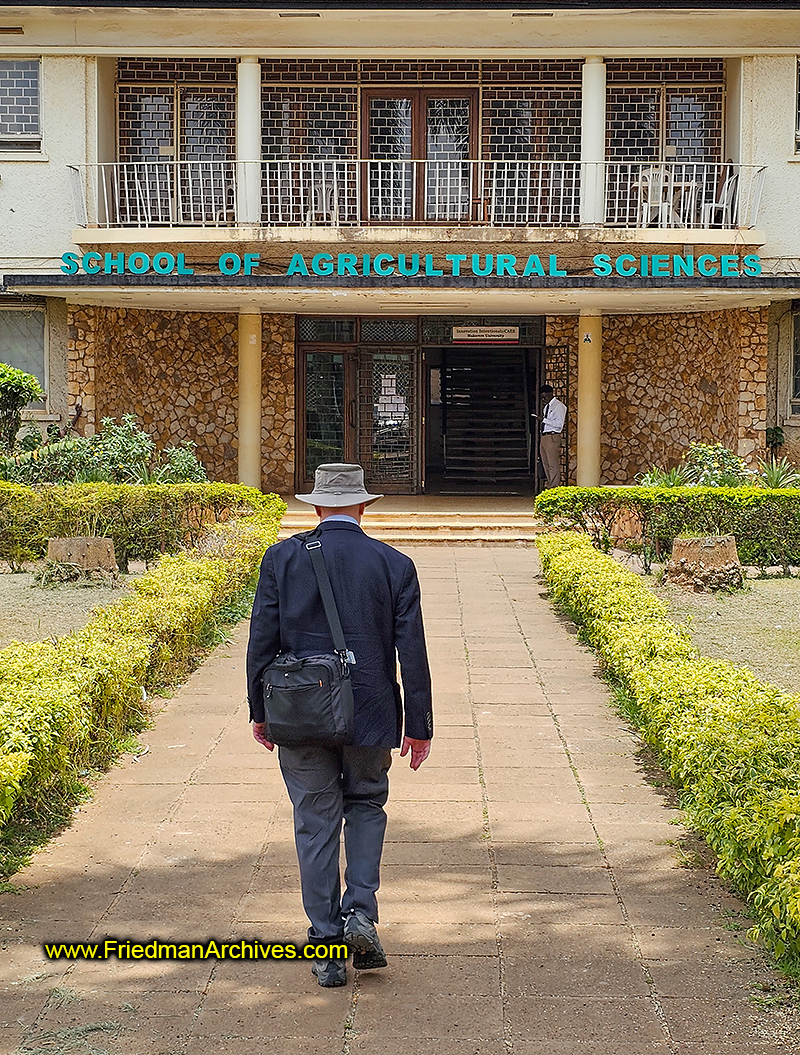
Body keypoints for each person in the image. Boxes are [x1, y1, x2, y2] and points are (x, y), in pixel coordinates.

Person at [246, 463, 433, 988]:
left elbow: (262, 640)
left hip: (300, 712)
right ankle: (361, 916)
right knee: (367, 805)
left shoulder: (281, 559)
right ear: (364, 506)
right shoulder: (394, 565)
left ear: (316, 506)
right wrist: (418, 724)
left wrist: (260, 711)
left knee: (314, 821)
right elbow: (412, 652)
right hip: (371, 711)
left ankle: (326, 946)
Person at [537, 383, 567, 489]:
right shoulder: (546, 407)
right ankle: (550, 484)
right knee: (545, 462)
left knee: (552, 463)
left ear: (550, 394)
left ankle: (554, 486)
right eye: (542, 397)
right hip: (545, 436)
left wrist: (544, 420)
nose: (543, 399)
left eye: (545, 397)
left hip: (552, 436)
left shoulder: (559, 406)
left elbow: (559, 424)